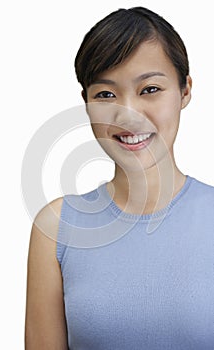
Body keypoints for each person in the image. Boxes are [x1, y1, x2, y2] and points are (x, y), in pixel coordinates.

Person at [25, 6, 214, 350]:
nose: (128, 115)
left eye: (150, 89)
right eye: (106, 95)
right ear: (86, 104)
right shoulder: (56, 229)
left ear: (185, 90)